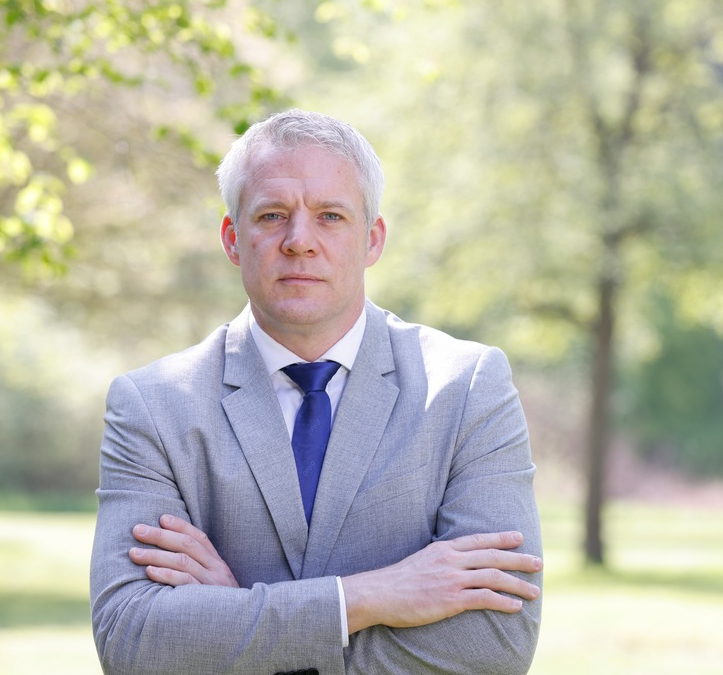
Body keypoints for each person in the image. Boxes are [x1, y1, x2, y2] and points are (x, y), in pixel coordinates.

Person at [89, 109, 543, 675]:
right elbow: (131, 641)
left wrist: (235, 619)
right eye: (272, 215)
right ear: (233, 239)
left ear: (372, 239)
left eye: (330, 216)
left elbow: (495, 645)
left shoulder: (468, 387)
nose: (299, 241)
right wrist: (367, 598)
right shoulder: (153, 405)